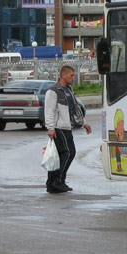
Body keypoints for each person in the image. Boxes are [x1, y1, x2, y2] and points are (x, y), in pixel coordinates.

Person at [44, 65, 92, 194]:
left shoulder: (69, 90)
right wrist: (50, 128)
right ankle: (58, 180)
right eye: (71, 75)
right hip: (59, 127)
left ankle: (51, 184)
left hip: (67, 126)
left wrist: (84, 123)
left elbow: (75, 109)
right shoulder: (53, 91)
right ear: (63, 75)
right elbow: (49, 111)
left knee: (58, 156)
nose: (74, 77)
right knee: (69, 152)